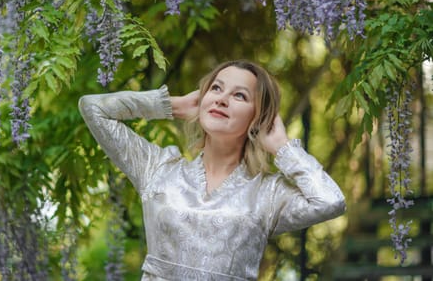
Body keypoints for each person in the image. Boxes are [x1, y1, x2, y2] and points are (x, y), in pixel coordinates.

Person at [79, 60, 346, 280]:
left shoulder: (268, 193)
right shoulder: (157, 169)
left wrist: (283, 147)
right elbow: (92, 108)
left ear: (259, 118)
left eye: (239, 95)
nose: (222, 100)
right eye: (216, 89)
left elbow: (331, 201)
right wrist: (169, 105)